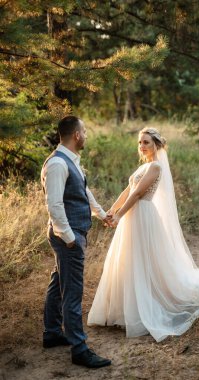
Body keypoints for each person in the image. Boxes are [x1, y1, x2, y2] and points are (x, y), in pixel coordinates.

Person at [88, 127, 199, 342]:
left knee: (142, 261)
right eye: (140, 142)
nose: (142, 146)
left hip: (143, 215)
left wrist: (119, 216)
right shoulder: (143, 166)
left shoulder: (155, 167)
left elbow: (137, 194)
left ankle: (143, 309)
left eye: (146, 142)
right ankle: (122, 309)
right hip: (131, 216)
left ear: (156, 145)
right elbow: (127, 190)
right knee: (127, 259)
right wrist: (111, 211)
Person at [41, 116, 111, 368]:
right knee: (72, 292)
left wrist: (102, 214)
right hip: (67, 236)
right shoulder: (58, 164)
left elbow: (83, 191)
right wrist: (70, 239)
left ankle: (51, 333)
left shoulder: (70, 161)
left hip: (69, 234)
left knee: (58, 281)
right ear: (77, 135)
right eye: (85, 131)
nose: (86, 135)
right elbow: (55, 206)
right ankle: (79, 349)